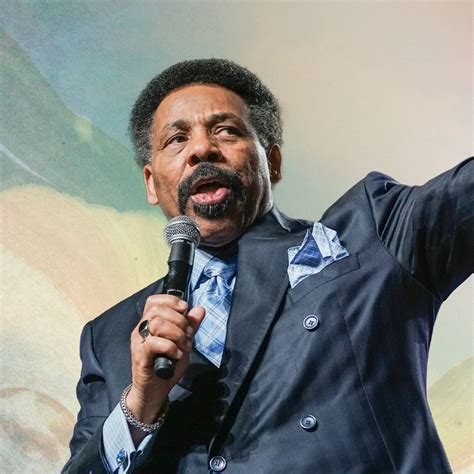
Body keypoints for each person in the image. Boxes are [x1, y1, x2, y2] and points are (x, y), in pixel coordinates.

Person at [63, 59, 473, 473]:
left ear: (272, 162)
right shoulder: (109, 337)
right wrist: (141, 404)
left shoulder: (368, 233)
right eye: (177, 139)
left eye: (226, 131)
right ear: (151, 183)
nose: (201, 149)